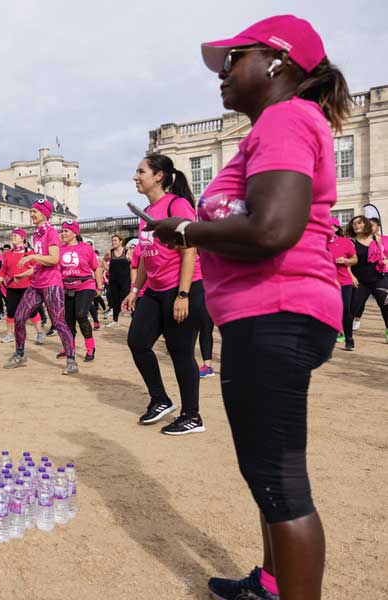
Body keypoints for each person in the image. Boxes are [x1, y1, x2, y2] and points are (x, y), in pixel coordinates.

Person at [149, 16, 353, 598]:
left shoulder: (287, 119)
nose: (222, 73)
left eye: (234, 58)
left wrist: (187, 229)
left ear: (277, 62)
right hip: (264, 312)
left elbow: (273, 228)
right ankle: (270, 582)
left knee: (281, 481)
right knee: (265, 474)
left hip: (277, 309)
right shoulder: (278, 124)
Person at [122, 153, 204, 435]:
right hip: (155, 291)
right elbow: (146, 255)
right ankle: (160, 399)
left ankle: (192, 416)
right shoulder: (147, 213)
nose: (135, 177)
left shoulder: (176, 204)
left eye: (140, 171)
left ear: (158, 176)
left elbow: (190, 249)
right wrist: (135, 290)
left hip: (183, 287)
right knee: (137, 341)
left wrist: (183, 295)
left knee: (180, 352)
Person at [4, 198, 78, 375]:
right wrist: (25, 273)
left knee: (59, 322)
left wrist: (31, 257)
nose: (31, 214)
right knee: (20, 317)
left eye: (35, 211)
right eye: (31, 211)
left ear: (45, 214)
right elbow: (40, 263)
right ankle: (20, 354)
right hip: (36, 283)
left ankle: (71, 360)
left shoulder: (51, 233)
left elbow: (54, 259)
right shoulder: (36, 234)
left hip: (51, 284)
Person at [58, 221, 103, 361]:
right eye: (62, 231)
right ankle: (69, 348)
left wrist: (99, 287)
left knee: (81, 315)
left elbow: (96, 268)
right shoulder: (59, 249)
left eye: (66, 231)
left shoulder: (86, 248)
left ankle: (90, 348)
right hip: (66, 287)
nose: (63, 234)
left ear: (75, 233)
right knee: (68, 320)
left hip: (85, 285)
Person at [0, 228, 45, 344]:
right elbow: (2, 271)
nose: (13, 238)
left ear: (23, 238)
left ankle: (40, 333)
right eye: (12, 236)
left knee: (31, 311)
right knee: (10, 311)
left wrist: (25, 274)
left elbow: (36, 269)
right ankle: (10, 334)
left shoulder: (30, 253)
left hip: (27, 287)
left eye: (16, 236)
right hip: (11, 287)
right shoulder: (8, 254)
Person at [347, 215, 388, 344]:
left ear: (365, 225)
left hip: (378, 279)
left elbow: (381, 256)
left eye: (359, 223)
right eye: (354, 223)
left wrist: (385, 260)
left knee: (386, 306)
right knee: (352, 309)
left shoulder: (376, 239)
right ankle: (348, 338)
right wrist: (352, 276)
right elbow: (347, 263)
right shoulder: (351, 242)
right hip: (360, 281)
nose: (356, 225)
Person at [328, 218, 357, 349]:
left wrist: (346, 261)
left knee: (345, 310)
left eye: (331, 226)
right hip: (326, 282)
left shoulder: (345, 242)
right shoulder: (320, 243)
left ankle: (349, 338)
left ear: (337, 228)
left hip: (344, 281)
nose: (329, 228)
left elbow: (355, 259)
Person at [103, 235, 131, 327]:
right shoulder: (110, 252)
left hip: (125, 280)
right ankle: (115, 320)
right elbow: (103, 260)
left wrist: (129, 270)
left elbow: (133, 263)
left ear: (121, 241)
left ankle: (133, 317)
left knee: (126, 297)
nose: (113, 242)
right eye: (112, 240)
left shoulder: (127, 251)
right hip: (113, 280)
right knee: (115, 300)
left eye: (115, 240)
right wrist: (108, 269)